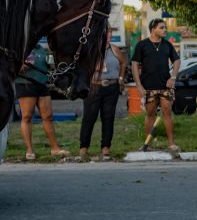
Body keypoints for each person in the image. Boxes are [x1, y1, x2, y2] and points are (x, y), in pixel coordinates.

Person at [131, 18, 181, 157]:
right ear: (153, 29)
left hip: (165, 85)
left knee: (167, 113)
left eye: (165, 27)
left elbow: (177, 60)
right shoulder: (142, 45)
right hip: (148, 87)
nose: (165, 29)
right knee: (150, 114)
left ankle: (171, 144)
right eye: (162, 27)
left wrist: (173, 77)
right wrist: (139, 85)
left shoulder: (167, 45)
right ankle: (148, 144)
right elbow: (134, 64)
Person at [79, 26, 127, 160]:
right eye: (106, 34)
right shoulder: (90, 49)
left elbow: (123, 62)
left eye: (110, 34)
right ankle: (84, 147)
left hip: (111, 87)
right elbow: (81, 66)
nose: (108, 36)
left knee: (108, 117)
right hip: (94, 87)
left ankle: (106, 147)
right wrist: (93, 68)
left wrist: (121, 78)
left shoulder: (114, 49)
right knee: (89, 117)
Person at [15, 44, 69, 160]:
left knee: (48, 116)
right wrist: (23, 65)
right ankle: (29, 150)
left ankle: (55, 148)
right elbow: (14, 69)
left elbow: (51, 67)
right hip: (25, 84)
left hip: (42, 84)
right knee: (27, 117)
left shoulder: (42, 49)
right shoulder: (21, 48)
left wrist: (51, 58)